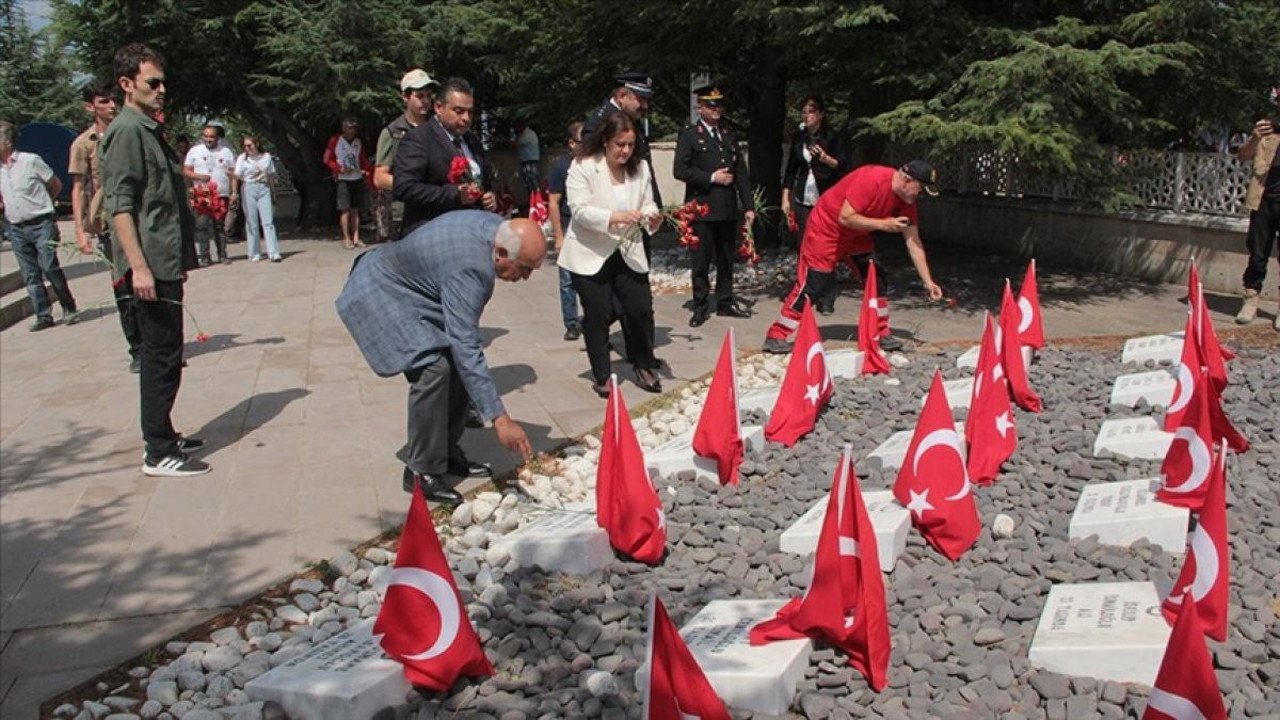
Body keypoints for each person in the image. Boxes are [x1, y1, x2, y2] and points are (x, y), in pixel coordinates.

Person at [335, 212, 541, 504]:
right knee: (434, 369)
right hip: (381, 291)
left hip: (410, 287)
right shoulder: (472, 270)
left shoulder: (497, 231)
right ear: (501, 253)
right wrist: (500, 419)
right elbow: (467, 345)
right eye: (523, 269)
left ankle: (443, 451)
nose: (526, 278)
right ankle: (421, 471)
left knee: (455, 364)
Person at [100, 43, 208, 476]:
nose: (162, 89)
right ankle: (158, 450)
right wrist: (139, 266)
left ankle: (163, 431)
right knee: (161, 355)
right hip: (148, 266)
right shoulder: (126, 132)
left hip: (162, 260)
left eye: (164, 82)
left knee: (167, 352)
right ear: (127, 85)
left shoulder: (147, 129)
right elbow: (120, 205)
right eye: (153, 82)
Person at [762, 160, 945, 354]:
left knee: (875, 276)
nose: (921, 195)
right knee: (814, 283)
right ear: (907, 180)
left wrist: (928, 281)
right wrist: (884, 225)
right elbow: (845, 217)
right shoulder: (872, 179)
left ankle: (880, 332)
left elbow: (914, 243)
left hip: (856, 234)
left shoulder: (907, 202)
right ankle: (776, 335)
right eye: (921, 189)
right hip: (828, 229)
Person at [561, 113, 664, 398]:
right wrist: (614, 217)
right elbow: (579, 210)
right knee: (598, 313)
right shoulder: (582, 166)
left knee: (640, 309)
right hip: (590, 251)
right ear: (605, 141)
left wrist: (652, 218)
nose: (625, 151)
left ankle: (643, 363)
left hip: (628, 248)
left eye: (630, 145)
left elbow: (648, 203)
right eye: (620, 144)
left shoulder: (640, 168)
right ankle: (602, 375)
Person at [70, 79, 141, 366]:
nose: (112, 106)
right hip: (110, 223)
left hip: (137, 216)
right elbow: (78, 187)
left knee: (149, 282)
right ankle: (137, 348)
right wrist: (80, 231)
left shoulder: (129, 130)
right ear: (90, 107)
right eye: (103, 101)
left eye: (113, 99)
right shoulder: (83, 144)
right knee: (123, 286)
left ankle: (155, 345)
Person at [673, 84, 755, 327]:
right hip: (702, 208)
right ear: (700, 108)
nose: (716, 108)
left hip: (727, 208)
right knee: (701, 260)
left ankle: (725, 300)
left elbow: (741, 172)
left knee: (726, 258)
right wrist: (711, 177)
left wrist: (748, 206)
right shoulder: (690, 135)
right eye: (711, 104)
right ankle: (700, 306)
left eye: (719, 104)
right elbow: (680, 170)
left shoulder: (728, 135)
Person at [1, 121, 79, 331]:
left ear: (7, 142)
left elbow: (55, 184)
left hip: (41, 222)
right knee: (30, 273)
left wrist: (47, 205)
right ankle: (43, 315)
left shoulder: (30, 161)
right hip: (16, 227)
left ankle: (68, 306)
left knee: (49, 266)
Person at [393, 78, 497, 237]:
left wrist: (488, 196)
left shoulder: (472, 141)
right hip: (431, 235)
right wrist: (455, 195)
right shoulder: (419, 139)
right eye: (459, 111)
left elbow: (484, 179)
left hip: (470, 232)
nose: (466, 118)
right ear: (439, 108)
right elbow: (404, 188)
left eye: (470, 112)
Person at [584, 73, 663, 238]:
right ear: (621, 96)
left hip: (639, 210)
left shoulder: (631, 119)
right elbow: (592, 169)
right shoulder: (599, 123)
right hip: (613, 218)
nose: (645, 106)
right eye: (640, 100)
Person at [373, 69, 438, 244]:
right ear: (405, 97)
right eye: (419, 96)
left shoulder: (438, 128)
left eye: (428, 95)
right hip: (403, 216)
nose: (425, 101)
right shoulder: (392, 133)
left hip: (436, 210)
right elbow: (380, 178)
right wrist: (415, 187)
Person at [781, 96, 849, 251]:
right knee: (804, 240)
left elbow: (843, 165)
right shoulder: (799, 138)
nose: (806, 116)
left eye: (811, 112)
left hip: (825, 192)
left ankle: (823, 272)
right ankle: (804, 273)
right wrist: (785, 197)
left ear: (820, 115)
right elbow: (791, 169)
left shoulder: (832, 137)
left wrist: (826, 159)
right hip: (804, 195)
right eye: (803, 112)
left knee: (825, 238)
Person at [1234, 115, 1279, 329]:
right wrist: (1254, 139)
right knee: (1258, 253)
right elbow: (1242, 156)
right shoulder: (1266, 133)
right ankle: (1250, 300)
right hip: (1263, 201)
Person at [547, 121, 583, 341]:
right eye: (583, 139)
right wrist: (558, 236)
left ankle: (594, 321)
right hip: (570, 226)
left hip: (589, 228)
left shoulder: (595, 163)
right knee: (567, 279)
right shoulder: (562, 167)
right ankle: (571, 323)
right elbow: (553, 202)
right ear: (571, 143)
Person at [184, 124, 235, 265]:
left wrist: (234, 192)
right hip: (202, 193)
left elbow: (233, 174)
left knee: (219, 225)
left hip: (220, 193)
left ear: (217, 137)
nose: (208, 139)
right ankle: (205, 256)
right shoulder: (195, 151)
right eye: (206, 136)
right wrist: (199, 177)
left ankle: (223, 255)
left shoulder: (226, 152)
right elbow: (186, 170)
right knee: (201, 225)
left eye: (211, 136)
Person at [230, 134, 281, 262]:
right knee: (252, 222)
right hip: (248, 188)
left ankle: (273, 252)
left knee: (268, 221)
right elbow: (236, 176)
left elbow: (270, 175)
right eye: (245, 146)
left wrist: (273, 192)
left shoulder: (266, 157)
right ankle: (254, 252)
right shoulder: (242, 159)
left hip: (263, 188)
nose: (248, 148)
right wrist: (234, 193)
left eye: (250, 145)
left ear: (257, 144)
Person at [324, 118, 373, 249]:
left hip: (356, 177)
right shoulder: (335, 141)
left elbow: (361, 159)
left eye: (354, 128)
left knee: (355, 210)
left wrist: (367, 171)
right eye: (350, 128)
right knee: (344, 209)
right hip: (343, 179)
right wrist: (339, 168)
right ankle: (346, 238)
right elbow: (327, 159)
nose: (352, 131)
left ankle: (357, 237)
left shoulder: (358, 142)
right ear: (344, 128)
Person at [515, 119, 540, 200]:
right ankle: (533, 202)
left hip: (531, 162)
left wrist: (504, 142)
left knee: (533, 184)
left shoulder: (527, 134)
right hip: (527, 162)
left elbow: (517, 144)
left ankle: (537, 203)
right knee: (528, 184)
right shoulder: (524, 134)